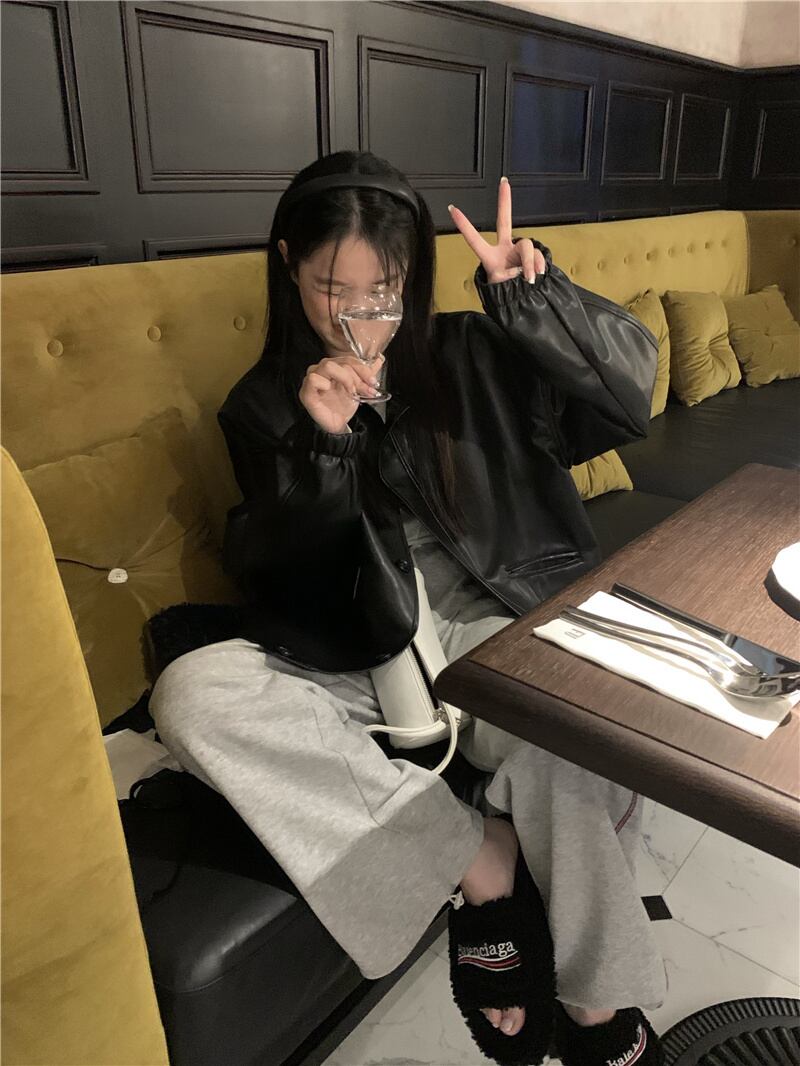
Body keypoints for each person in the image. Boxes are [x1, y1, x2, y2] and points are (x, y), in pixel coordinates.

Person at [149, 150, 668, 1065]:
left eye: (383, 292)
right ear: (288, 266)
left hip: (499, 626)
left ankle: (599, 1009)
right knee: (191, 693)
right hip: (361, 652)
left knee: (564, 744)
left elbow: (629, 400)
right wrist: (322, 452)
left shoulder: (475, 352)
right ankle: (478, 860)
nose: (361, 317)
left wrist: (535, 303)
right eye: (332, 291)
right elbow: (296, 590)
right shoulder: (263, 406)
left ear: (413, 278)